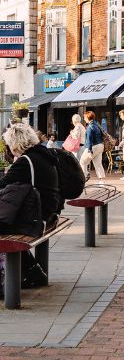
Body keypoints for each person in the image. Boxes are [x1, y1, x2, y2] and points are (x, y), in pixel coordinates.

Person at [0, 123, 63, 295]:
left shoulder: (26, 161)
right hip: (48, 213)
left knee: (3, 228)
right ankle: (33, 270)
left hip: (34, 217)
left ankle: (4, 281)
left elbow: (3, 184)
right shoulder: (44, 155)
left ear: (15, 143)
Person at [80, 110, 105, 182]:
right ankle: (101, 181)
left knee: (83, 162)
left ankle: (84, 178)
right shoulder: (97, 124)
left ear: (88, 117)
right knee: (98, 163)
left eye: (84, 117)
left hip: (93, 146)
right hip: (100, 146)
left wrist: (89, 150)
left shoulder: (90, 127)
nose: (84, 119)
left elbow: (89, 139)